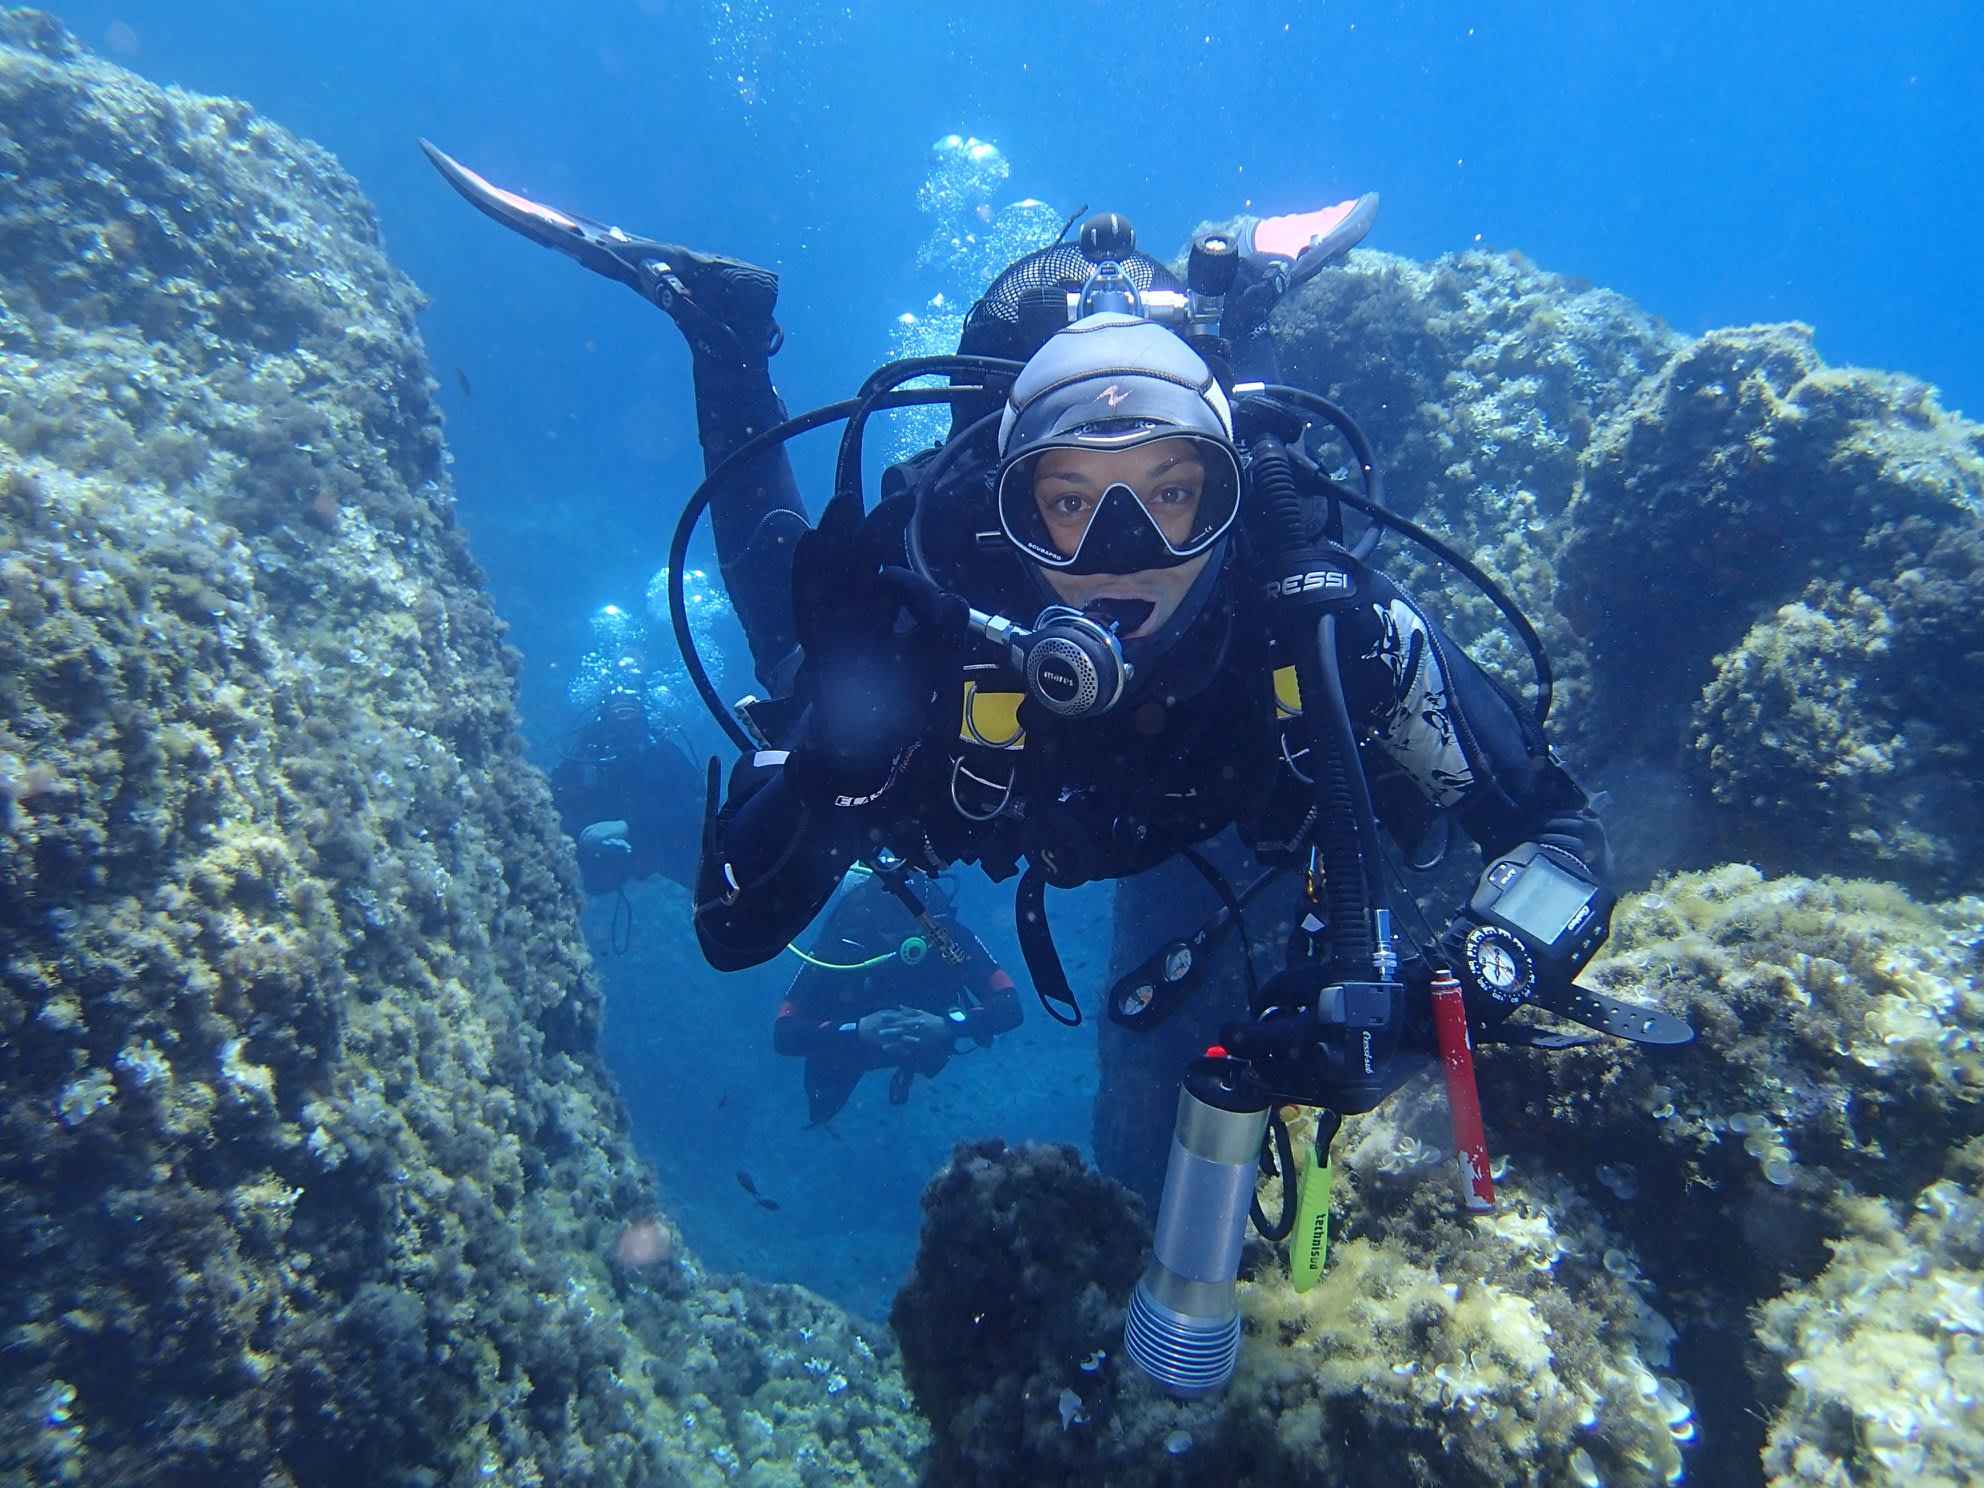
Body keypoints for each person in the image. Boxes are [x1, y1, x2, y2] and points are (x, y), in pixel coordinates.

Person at [425, 139, 1664, 1111]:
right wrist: (820, 774)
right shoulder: (930, 629)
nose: (1123, 558)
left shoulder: (1322, 628)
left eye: (1174, 497)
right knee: (795, 651)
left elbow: (1552, 837)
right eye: (1069, 505)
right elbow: (734, 933)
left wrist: (1461, 980)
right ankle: (726, 333)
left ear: (1229, 506)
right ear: (1005, 513)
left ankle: (1233, 319)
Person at [773, 867, 1021, 1125]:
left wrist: (947, 1026)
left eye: (907, 921)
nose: (899, 938)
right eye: (888, 922)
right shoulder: (838, 947)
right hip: (850, 1052)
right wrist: (856, 1031)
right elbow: (784, 1033)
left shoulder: (945, 936)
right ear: (868, 917)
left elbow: (1009, 1005)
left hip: (925, 1055)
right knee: (822, 1108)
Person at [549, 682, 703, 897]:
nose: (625, 726)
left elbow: (695, 809)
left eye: (631, 715)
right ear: (604, 722)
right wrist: (583, 836)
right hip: (599, 853)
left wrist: (629, 826)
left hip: (660, 846)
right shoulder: (587, 754)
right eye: (619, 714)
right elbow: (555, 801)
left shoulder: (663, 753)